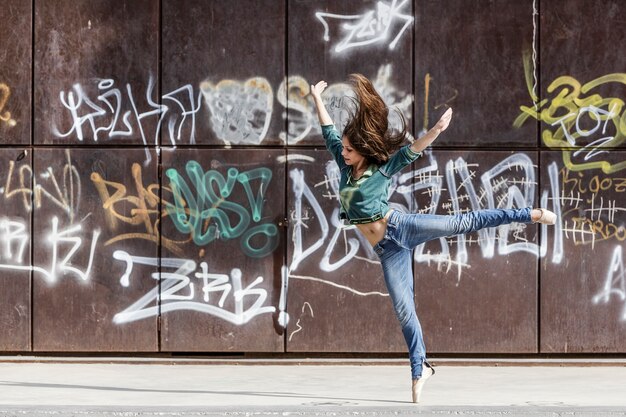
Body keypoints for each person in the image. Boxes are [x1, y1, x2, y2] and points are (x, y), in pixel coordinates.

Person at [310, 74, 556, 404]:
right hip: (387, 250)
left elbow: (411, 151)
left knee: (462, 222)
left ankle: (529, 214)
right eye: (344, 148)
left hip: (401, 227)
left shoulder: (380, 169)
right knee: (404, 310)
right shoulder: (343, 165)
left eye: (350, 148)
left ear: (364, 152)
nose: (344, 151)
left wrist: (436, 132)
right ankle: (420, 368)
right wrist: (316, 98)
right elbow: (329, 133)